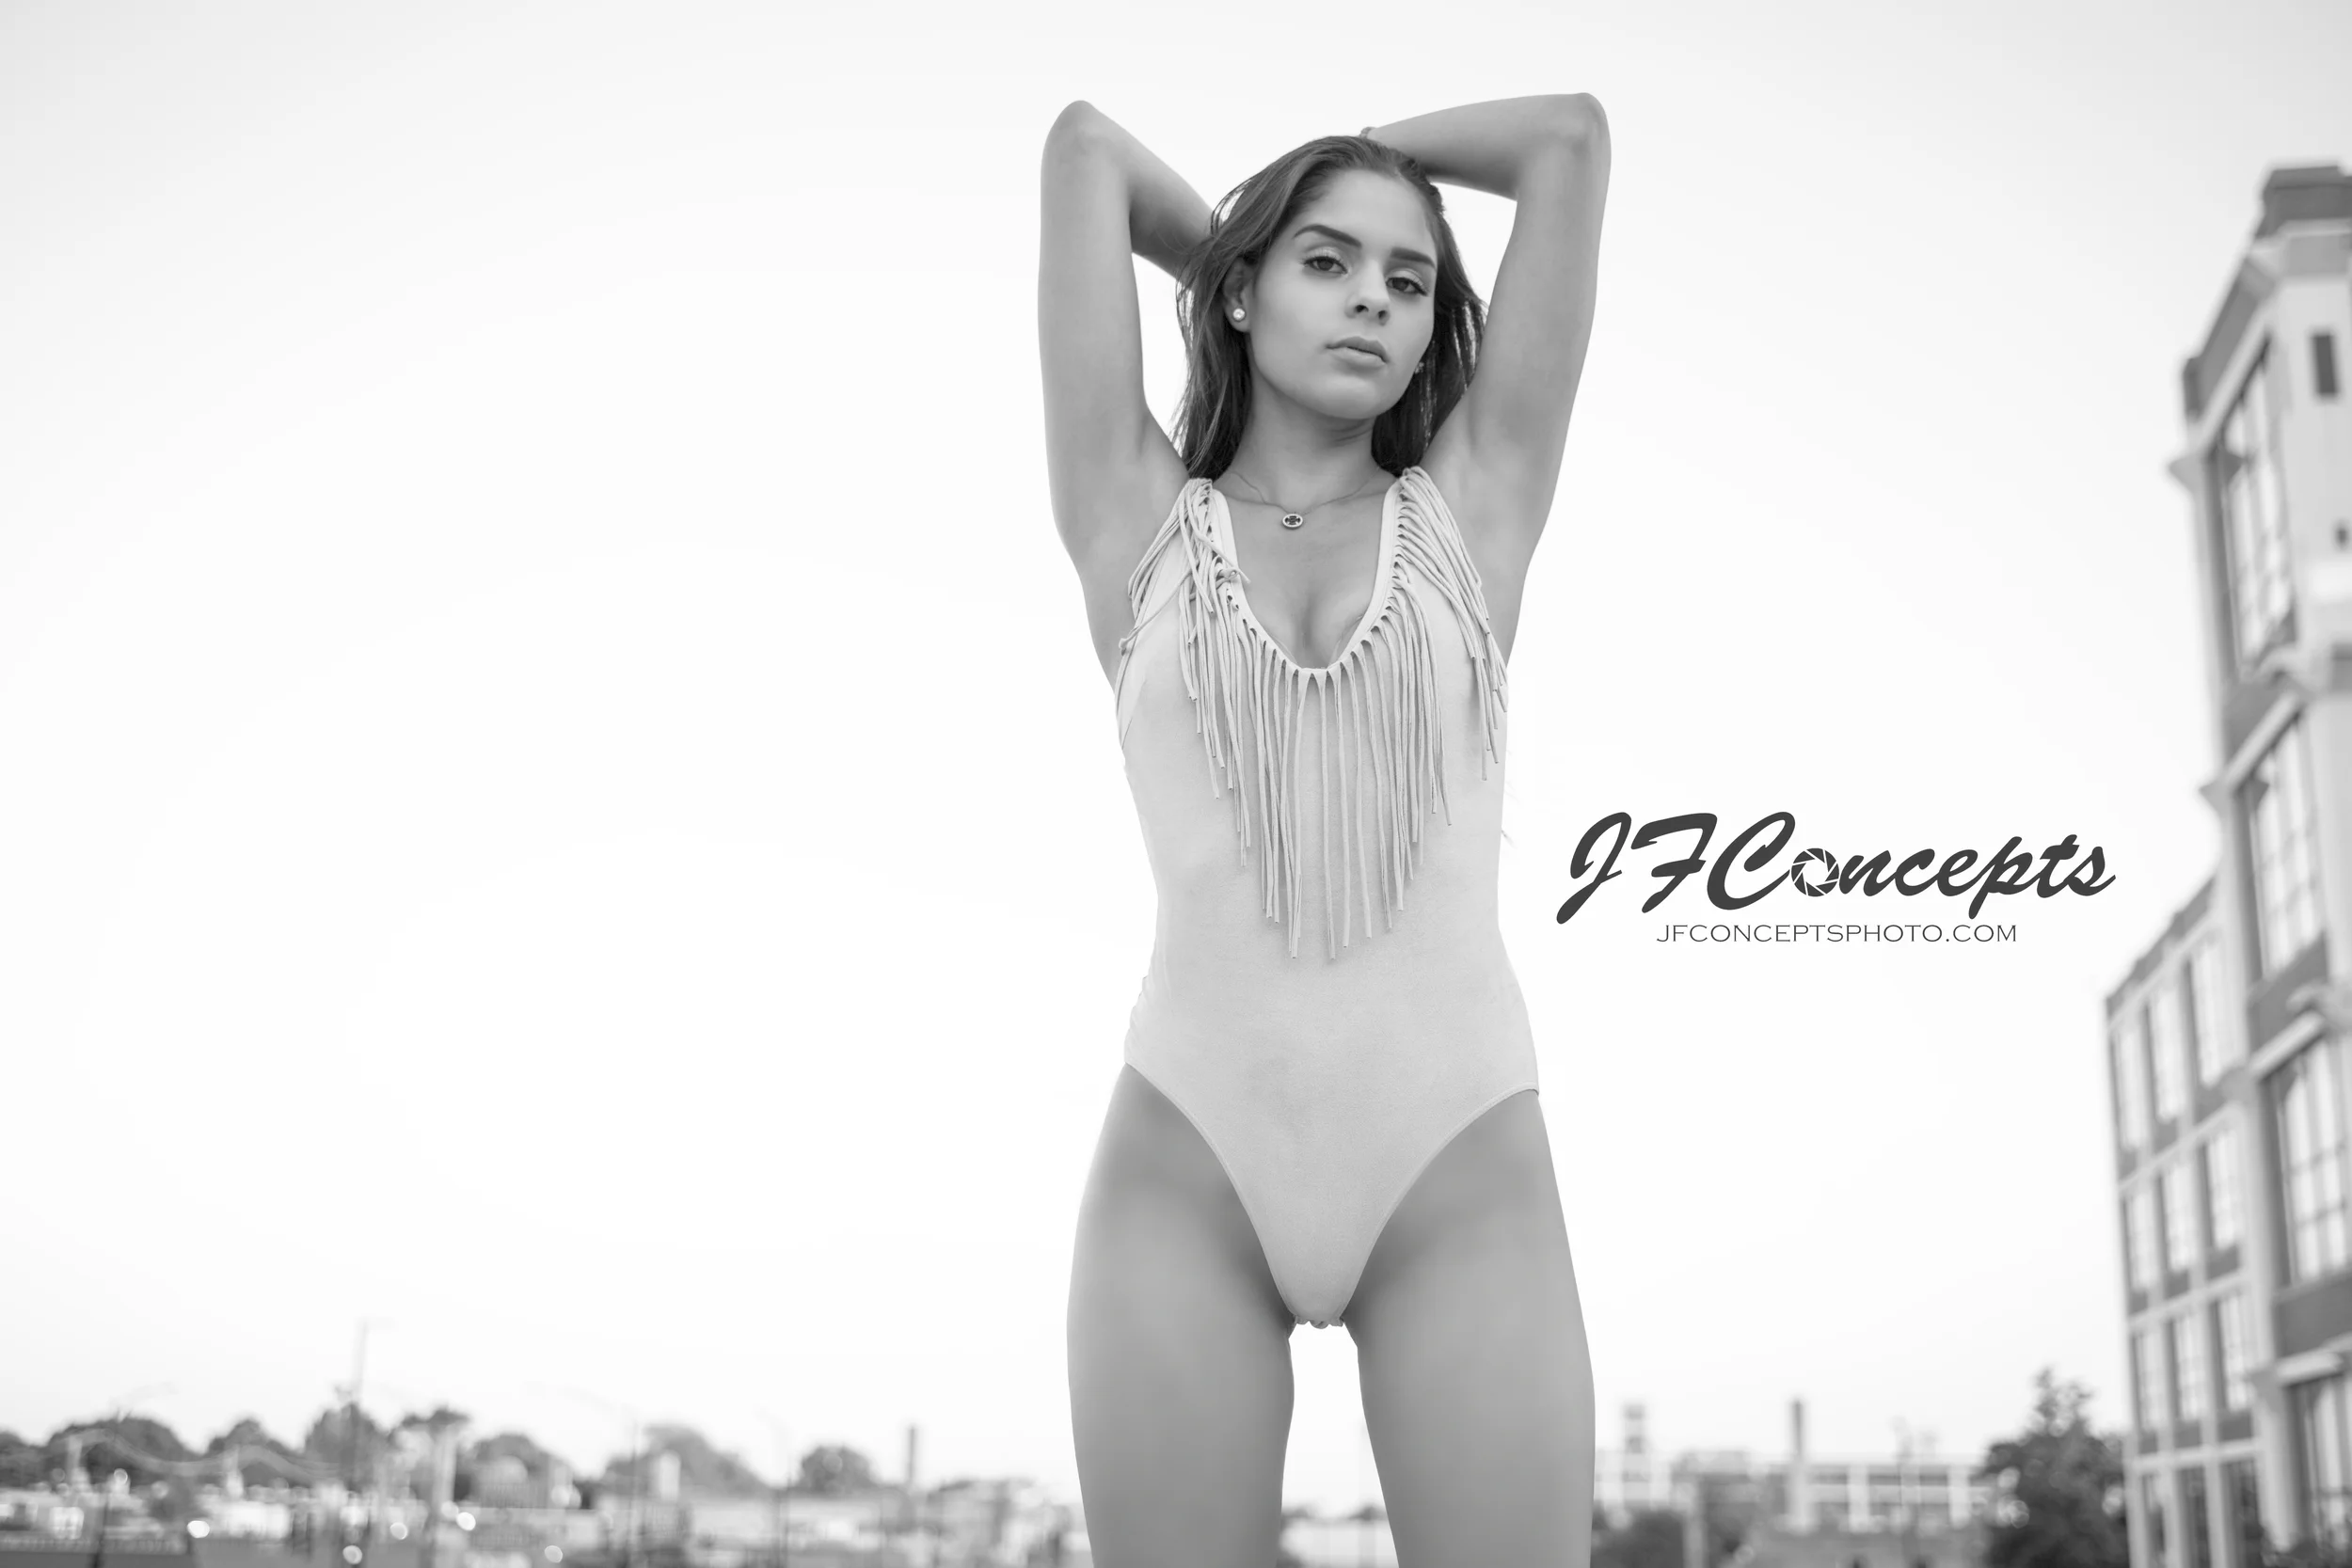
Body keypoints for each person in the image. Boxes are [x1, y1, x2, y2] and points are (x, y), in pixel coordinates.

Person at [1040, 93, 1611, 1566]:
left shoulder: (1476, 508)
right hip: (1184, 1171)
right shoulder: (1132, 520)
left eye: (1408, 281)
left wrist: (1333, 186)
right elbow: (1086, 152)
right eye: (1326, 262)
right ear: (1240, 293)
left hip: (1457, 1166)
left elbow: (1568, 143)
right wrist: (1236, 251)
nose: (1372, 297)